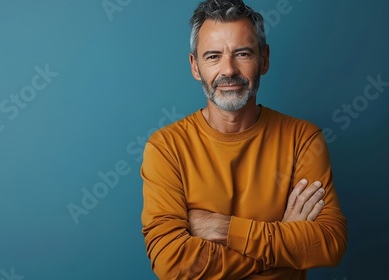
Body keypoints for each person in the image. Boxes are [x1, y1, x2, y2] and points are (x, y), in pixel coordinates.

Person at [140, 0, 347, 279]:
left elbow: (329, 244)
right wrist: (282, 243)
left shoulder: (303, 140)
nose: (228, 70)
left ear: (264, 59)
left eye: (243, 53)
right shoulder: (166, 148)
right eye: (213, 56)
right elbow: (173, 265)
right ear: (195, 66)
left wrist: (225, 229)